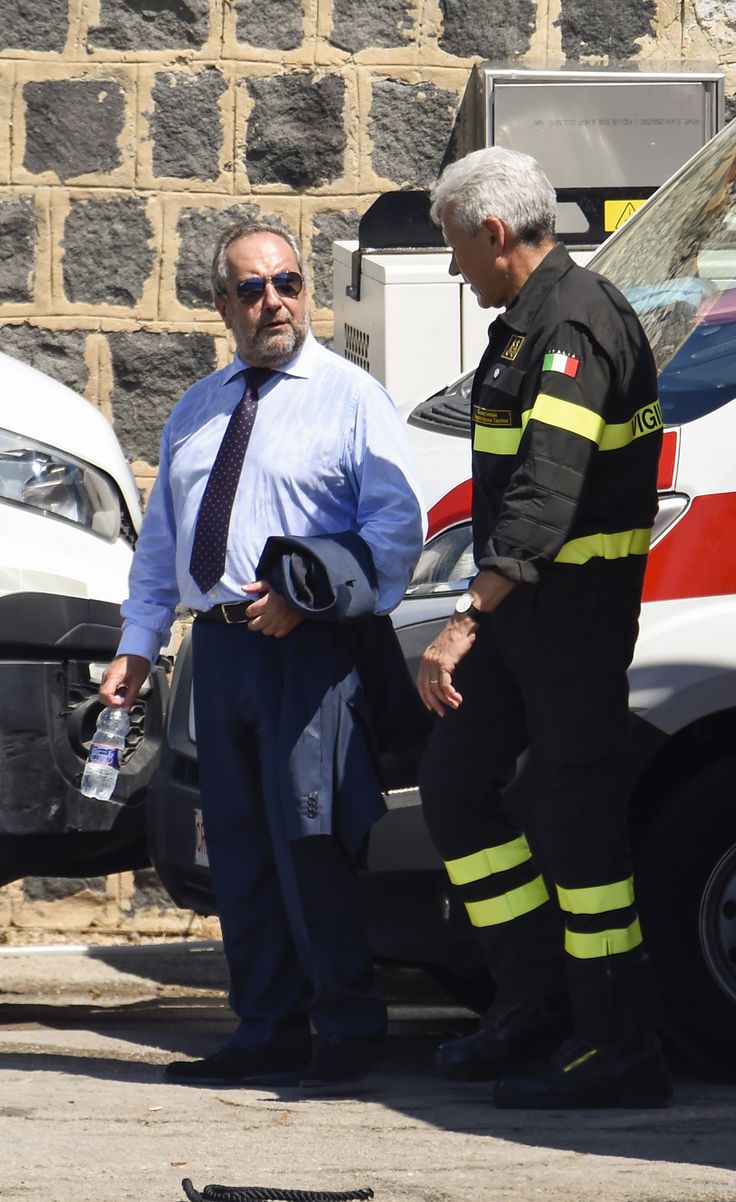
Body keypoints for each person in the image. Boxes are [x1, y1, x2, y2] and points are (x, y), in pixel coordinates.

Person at [99, 218, 423, 1089]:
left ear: (306, 292)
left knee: (311, 842)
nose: (273, 302)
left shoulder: (352, 397)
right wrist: (137, 645)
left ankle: (348, 1032)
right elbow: (163, 540)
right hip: (219, 652)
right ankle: (267, 1030)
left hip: (307, 653)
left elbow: (397, 528)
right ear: (222, 305)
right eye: (252, 289)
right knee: (236, 847)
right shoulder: (197, 410)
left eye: (287, 283)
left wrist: (304, 598)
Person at [415, 147, 672, 1109]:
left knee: (580, 828)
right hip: (529, 619)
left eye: (454, 249)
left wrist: (462, 619)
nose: (452, 270)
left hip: (569, 624)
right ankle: (535, 1002)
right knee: (454, 784)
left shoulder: (572, 323)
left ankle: (620, 1041)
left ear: (492, 235)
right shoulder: (529, 323)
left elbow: (545, 490)